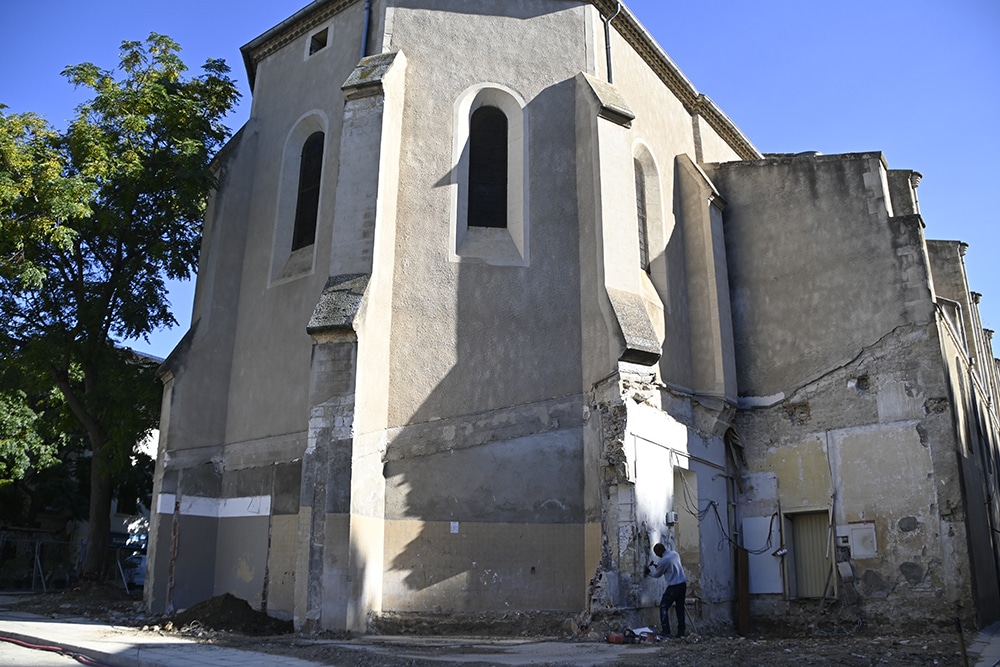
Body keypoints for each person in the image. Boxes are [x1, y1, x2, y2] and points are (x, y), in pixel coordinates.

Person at [646, 542, 686, 638]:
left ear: (659, 551)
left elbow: (657, 575)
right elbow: (670, 568)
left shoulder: (664, 561)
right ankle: (681, 632)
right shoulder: (675, 554)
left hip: (673, 587)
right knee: (680, 609)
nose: (657, 556)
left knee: (663, 607)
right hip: (682, 585)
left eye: (657, 554)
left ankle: (666, 630)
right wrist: (658, 566)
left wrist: (648, 573)